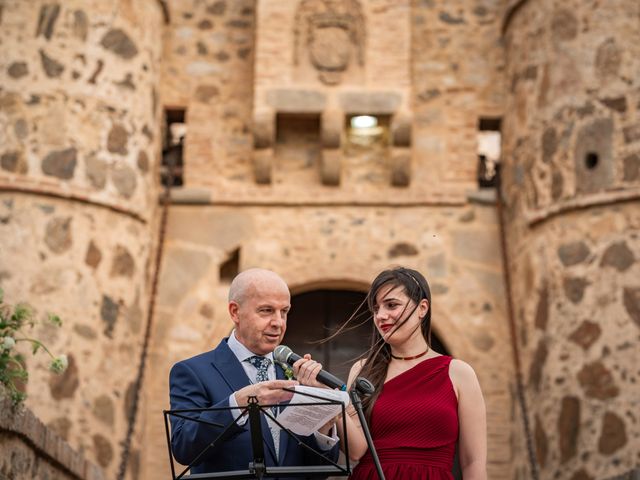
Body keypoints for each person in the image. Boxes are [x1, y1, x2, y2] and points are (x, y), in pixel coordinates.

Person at [296, 266, 487, 479]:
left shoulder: (459, 373)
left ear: (422, 308)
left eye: (392, 305)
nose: (381, 316)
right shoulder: (362, 369)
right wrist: (331, 397)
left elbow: (473, 462)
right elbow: (357, 450)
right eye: (376, 309)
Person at [169, 268, 339, 476]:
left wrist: (323, 424)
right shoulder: (193, 372)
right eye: (266, 310)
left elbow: (319, 470)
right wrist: (237, 404)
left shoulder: (296, 375)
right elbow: (183, 447)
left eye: (284, 311)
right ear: (235, 312)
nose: (278, 322)